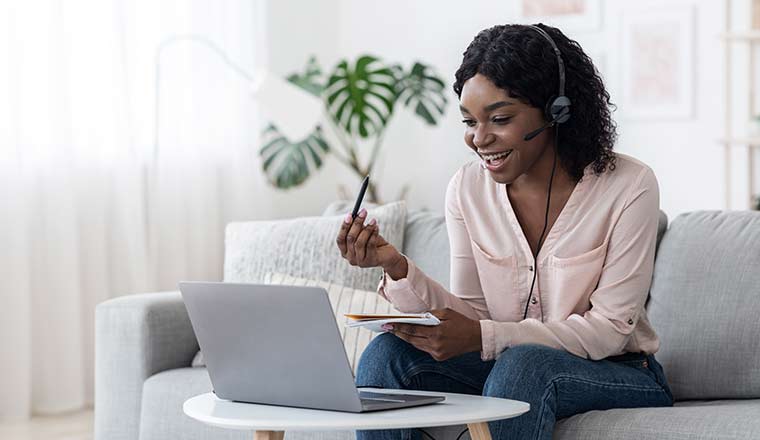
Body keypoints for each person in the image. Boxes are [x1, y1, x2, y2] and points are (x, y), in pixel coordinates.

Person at [335, 23, 673, 440]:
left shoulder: (629, 185)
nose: (479, 139)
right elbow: (472, 316)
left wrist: (483, 335)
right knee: (385, 355)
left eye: (499, 119)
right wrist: (395, 266)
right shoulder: (467, 189)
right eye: (469, 121)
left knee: (524, 366)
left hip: (618, 370)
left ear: (556, 110)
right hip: (507, 363)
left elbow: (608, 330)